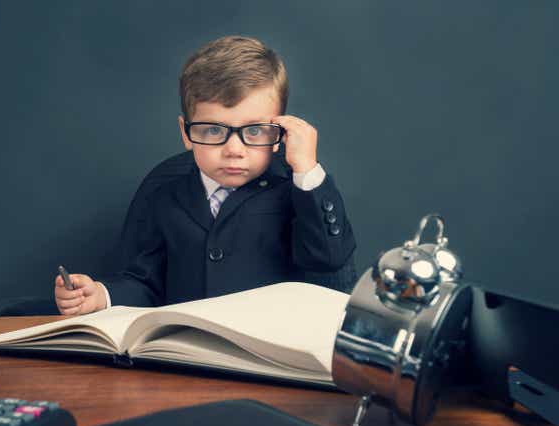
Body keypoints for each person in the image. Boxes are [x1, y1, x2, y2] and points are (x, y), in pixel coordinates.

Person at [55, 35, 356, 316]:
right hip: (185, 354)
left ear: (279, 133)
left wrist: (307, 171)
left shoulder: (295, 187)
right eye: (213, 130)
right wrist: (102, 295)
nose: (234, 149)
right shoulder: (164, 189)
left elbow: (329, 261)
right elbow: (145, 283)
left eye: (254, 131)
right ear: (185, 132)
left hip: (270, 355)